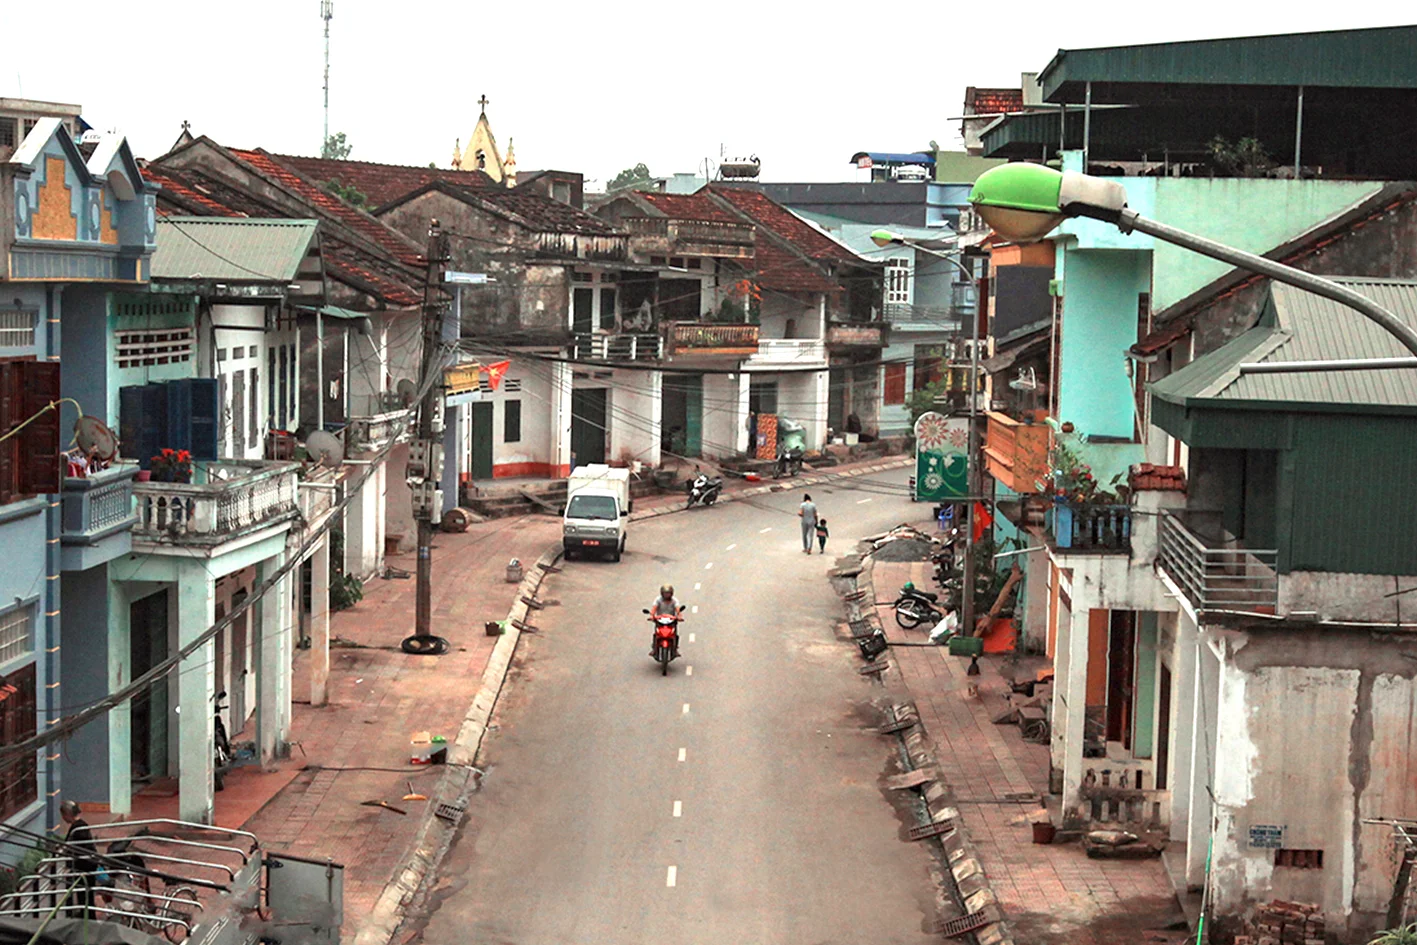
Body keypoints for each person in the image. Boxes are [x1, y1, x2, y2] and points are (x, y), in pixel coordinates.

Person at [59, 800, 98, 916]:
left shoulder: (77, 829)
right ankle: (86, 915)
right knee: (87, 895)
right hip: (88, 865)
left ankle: (86, 917)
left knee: (84, 895)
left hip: (84, 867)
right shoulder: (81, 826)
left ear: (67, 815)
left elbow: (75, 847)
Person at [648, 584, 682, 658]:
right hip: (660, 620)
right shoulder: (658, 600)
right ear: (662, 593)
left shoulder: (674, 601)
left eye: (668, 593)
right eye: (665, 593)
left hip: (671, 620)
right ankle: (654, 648)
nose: (667, 595)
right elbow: (654, 608)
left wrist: (679, 616)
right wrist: (652, 615)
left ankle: (675, 649)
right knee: (656, 633)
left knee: (675, 634)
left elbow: (678, 610)